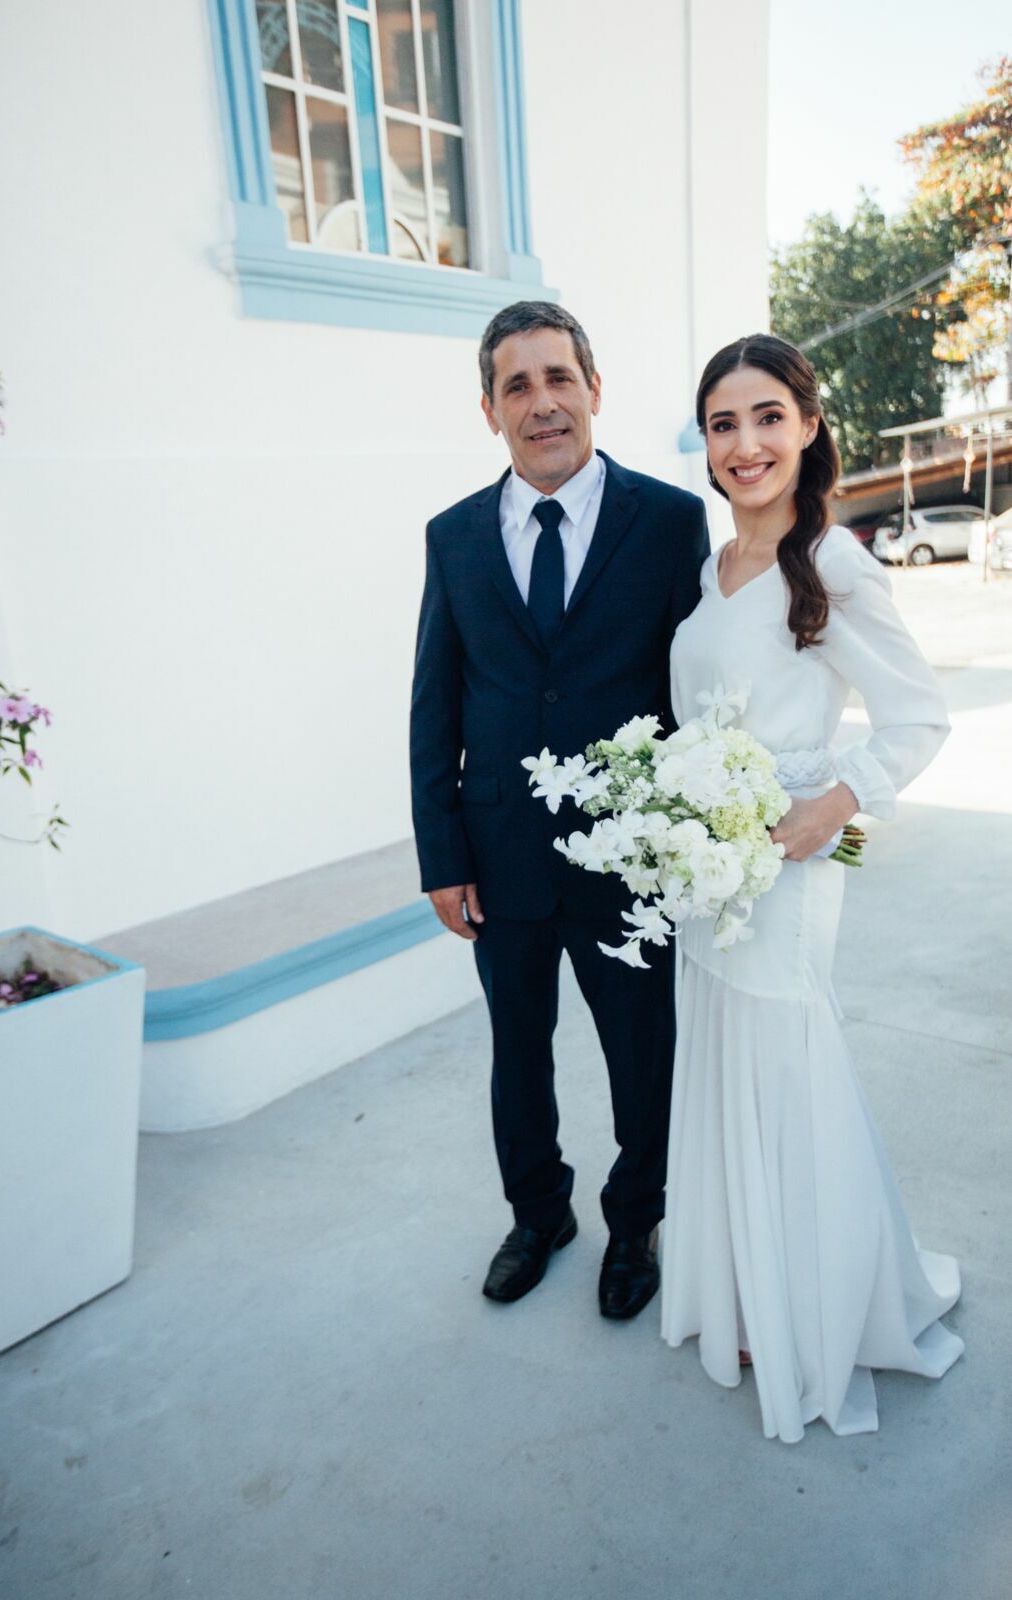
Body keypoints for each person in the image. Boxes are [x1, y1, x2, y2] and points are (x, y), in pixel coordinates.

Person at [660, 332, 964, 1441]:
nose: (743, 444)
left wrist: (828, 809)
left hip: (787, 863)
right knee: (728, 1062)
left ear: (808, 424)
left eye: (765, 418)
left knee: (788, 1069)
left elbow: (916, 718)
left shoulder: (829, 562)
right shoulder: (715, 567)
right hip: (707, 872)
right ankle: (745, 1287)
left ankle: (814, 1308)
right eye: (722, 423)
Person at [410, 301, 708, 1317]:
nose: (541, 403)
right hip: (500, 857)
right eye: (516, 385)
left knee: (641, 1052)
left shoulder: (668, 523)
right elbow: (433, 703)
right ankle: (538, 1213)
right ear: (488, 409)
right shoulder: (451, 537)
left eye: (557, 378)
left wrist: (695, 834)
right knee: (516, 1052)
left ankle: (636, 1221)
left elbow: (691, 693)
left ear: (592, 389)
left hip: (629, 858)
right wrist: (440, 852)